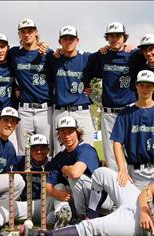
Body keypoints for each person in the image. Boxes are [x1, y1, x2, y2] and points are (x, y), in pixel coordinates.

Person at [21, 152, 154, 236]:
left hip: (145, 225)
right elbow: (147, 192)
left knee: (93, 229)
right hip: (140, 205)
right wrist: (145, 210)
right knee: (101, 173)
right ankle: (90, 214)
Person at [84, 22, 141, 171]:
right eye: (111, 36)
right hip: (108, 113)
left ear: (124, 38)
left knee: (132, 156)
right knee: (111, 159)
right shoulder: (101, 56)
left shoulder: (134, 55)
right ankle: (114, 192)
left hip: (129, 111)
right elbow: (86, 70)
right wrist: (86, 86)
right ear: (107, 38)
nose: (115, 39)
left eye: (118, 36)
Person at [111, 70, 154, 190]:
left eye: (148, 85)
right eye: (142, 85)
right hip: (136, 172)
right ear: (136, 86)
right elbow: (117, 143)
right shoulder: (126, 113)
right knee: (138, 206)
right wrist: (122, 169)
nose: (145, 88)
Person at [9, 18, 55, 155]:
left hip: (45, 109)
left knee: (47, 150)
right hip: (24, 109)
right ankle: (24, 177)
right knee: (24, 152)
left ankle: (46, 177)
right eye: (23, 31)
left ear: (36, 32)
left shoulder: (48, 53)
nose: (27, 34)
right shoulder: (14, 53)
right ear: (19, 34)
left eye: (30, 31)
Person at [48, 26, 95, 154]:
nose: (68, 42)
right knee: (61, 153)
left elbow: (106, 58)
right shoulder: (54, 59)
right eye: (65, 39)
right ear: (60, 42)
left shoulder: (87, 58)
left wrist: (125, 46)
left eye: (71, 39)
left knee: (87, 150)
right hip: (61, 111)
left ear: (77, 40)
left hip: (82, 110)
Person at [47, 116, 105, 222]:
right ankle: (66, 217)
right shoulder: (60, 157)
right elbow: (47, 185)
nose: (67, 136)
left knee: (74, 178)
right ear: (59, 135)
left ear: (77, 132)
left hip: (99, 198)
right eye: (63, 132)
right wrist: (57, 194)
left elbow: (75, 173)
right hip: (78, 198)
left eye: (70, 132)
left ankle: (83, 218)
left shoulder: (86, 149)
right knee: (50, 218)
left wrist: (64, 168)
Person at [14, 134, 72, 229]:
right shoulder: (20, 161)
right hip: (31, 205)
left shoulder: (53, 163)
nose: (39, 151)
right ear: (29, 151)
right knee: (12, 207)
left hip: (48, 202)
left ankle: (62, 214)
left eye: (43, 148)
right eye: (35, 149)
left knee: (60, 186)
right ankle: (55, 219)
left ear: (48, 150)